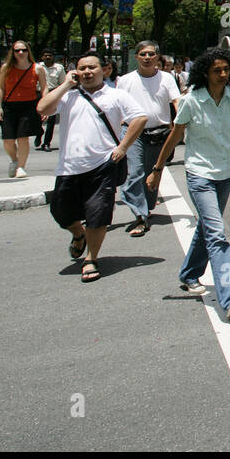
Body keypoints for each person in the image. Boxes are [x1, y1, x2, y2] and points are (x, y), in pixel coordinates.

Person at [144, 48, 230, 321]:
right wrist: (157, 169)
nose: (223, 74)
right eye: (216, 70)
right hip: (199, 173)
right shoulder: (191, 101)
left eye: (226, 69)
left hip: (226, 172)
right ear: (204, 72)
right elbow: (175, 135)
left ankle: (190, 273)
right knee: (217, 233)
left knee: (208, 225)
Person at [39, 53, 148, 285]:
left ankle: (92, 258)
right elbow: (43, 108)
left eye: (92, 67)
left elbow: (139, 118)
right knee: (61, 213)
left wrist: (123, 147)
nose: (87, 72)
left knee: (98, 214)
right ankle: (78, 234)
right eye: (82, 68)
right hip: (69, 167)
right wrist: (66, 84)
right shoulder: (68, 96)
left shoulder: (116, 95)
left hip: (103, 166)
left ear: (104, 70)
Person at [116, 40, 182, 237]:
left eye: (151, 54)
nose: (147, 58)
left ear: (157, 57)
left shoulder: (167, 79)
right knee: (133, 174)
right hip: (132, 133)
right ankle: (140, 215)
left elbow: (177, 101)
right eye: (143, 54)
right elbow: (117, 106)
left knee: (152, 175)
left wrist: (181, 123)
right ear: (136, 57)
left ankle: (146, 207)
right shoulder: (126, 80)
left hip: (159, 133)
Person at [0, 40, 47, 178]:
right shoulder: (6, 68)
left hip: (28, 106)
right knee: (8, 140)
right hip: (9, 106)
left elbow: (44, 88)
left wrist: (45, 107)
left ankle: (21, 167)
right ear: (13, 52)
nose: (20, 53)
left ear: (28, 51)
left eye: (23, 50)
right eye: (17, 50)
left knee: (23, 138)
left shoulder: (37, 68)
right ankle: (14, 160)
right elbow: (0, 87)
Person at [34, 49, 66, 151]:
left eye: (50, 55)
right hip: (38, 94)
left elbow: (63, 83)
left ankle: (46, 143)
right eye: (45, 56)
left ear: (53, 57)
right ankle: (39, 133)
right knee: (37, 118)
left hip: (53, 94)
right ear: (42, 57)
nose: (47, 57)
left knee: (51, 120)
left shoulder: (59, 68)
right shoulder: (37, 67)